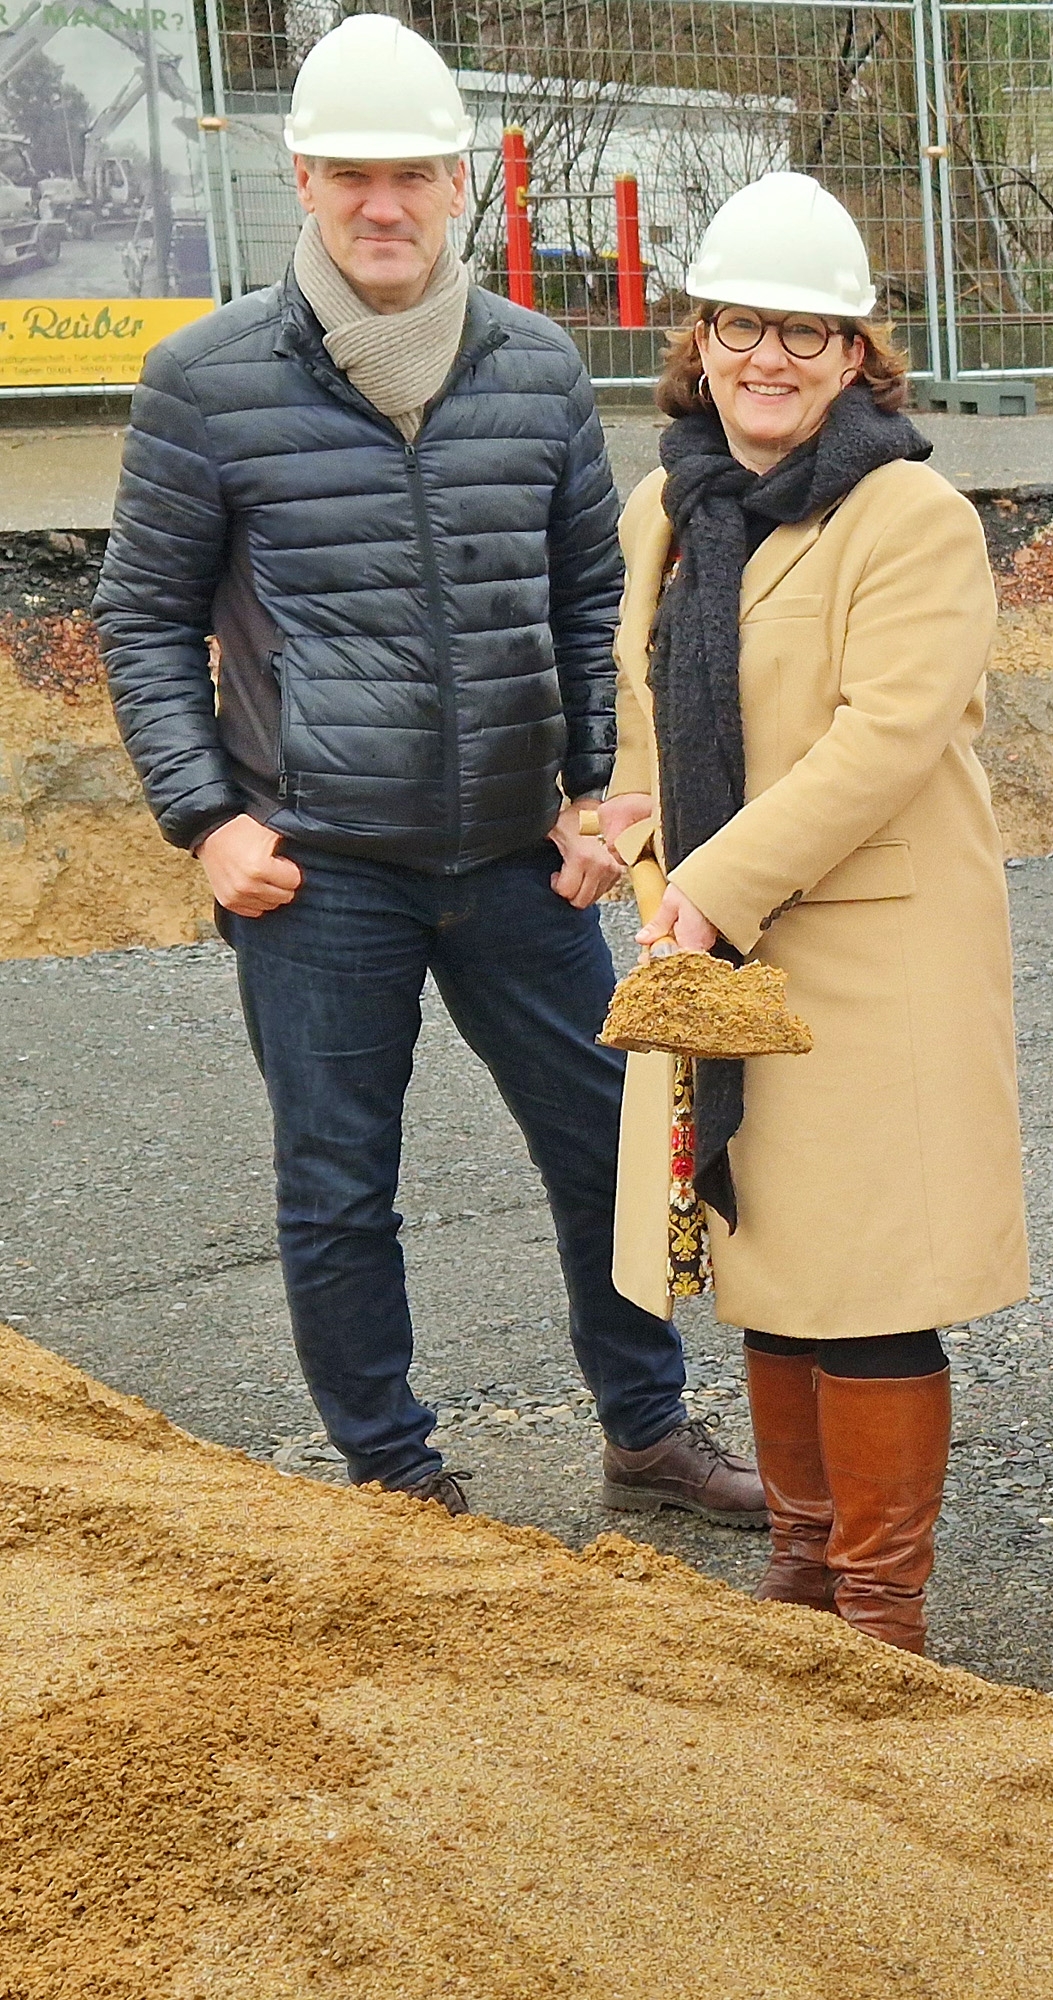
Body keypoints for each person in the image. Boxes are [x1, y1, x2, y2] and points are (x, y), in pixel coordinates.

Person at [92, 14, 756, 1526]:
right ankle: (394, 1476)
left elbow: (592, 597)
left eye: (410, 176)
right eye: (350, 177)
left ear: (460, 182)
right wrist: (206, 821)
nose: (381, 206)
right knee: (339, 1184)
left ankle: (647, 1432)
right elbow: (140, 615)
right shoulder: (205, 381)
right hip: (318, 871)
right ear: (301, 181)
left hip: (520, 858)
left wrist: (590, 793)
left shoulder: (536, 366)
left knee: (606, 1148)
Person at [597, 173, 1028, 1658]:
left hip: (873, 955)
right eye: (739, 327)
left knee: (873, 1286)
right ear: (700, 341)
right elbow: (642, 699)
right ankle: (801, 1576)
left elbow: (883, 741)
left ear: (855, 352)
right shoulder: (666, 506)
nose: (766, 359)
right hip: (718, 948)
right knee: (771, 1267)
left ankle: (881, 1613)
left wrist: (709, 889)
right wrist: (629, 820)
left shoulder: (910, 516)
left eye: (803, 332)